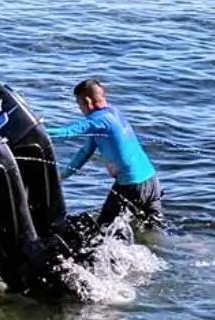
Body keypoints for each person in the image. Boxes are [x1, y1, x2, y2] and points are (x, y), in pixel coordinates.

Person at [47, 78, 163, 228]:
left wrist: (33, 128)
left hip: (131, 185)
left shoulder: (101, 120)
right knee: (155, 228)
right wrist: (62, 176)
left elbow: (66, 132)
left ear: (87, 101)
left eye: (78, 104)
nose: (80, 109)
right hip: (152, 181)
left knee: (103, 229)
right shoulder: (114, 113)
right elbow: (84, 152)